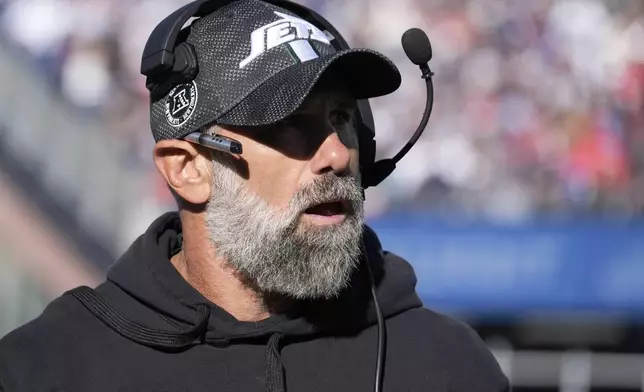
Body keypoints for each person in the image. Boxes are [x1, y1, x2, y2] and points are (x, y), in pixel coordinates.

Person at [0, 1, 510, 391]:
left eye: (341, 119)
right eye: (289, 126)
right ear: (188, 169)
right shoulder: (46, 368)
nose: (336, 153)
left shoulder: (448, 365)